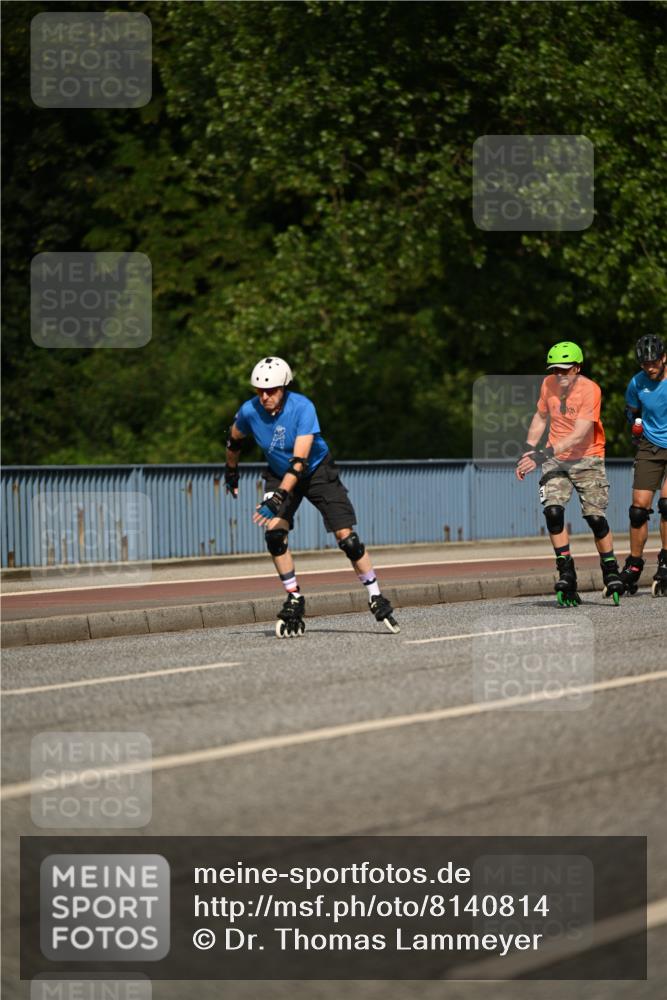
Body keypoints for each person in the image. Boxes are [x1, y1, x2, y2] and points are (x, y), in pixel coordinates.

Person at [224, 356, 400, 636]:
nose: (265, 396)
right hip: (279, 472)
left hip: (316, 471)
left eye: (271, 391)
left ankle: (376, 595)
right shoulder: (249, 411)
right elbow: (234, 440)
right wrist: (231, 472)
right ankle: (294, 597)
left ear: (284, 388)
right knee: (274, 535)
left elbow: (299, 462)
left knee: (348, 539)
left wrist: (280, 495)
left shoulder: (303, 408)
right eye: (259, 391)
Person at [515, 341, 625, 606]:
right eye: (555, 370)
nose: (560, 376)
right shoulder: (548, 384)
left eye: (565, 370)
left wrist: (542, 453)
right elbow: (541, 417)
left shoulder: (591, 390)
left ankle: (610, 569)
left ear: (577, 368)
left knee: (595, 518)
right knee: (553, 512)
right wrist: (529, 450)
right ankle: (566, 572)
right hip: (555, 460)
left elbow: (580, 434)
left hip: (588, 457)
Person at [620, 334, 667, 597]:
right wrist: (635, 422)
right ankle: (635, 564)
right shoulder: (637, 383)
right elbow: (631, 410)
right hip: (650, 445)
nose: (649, 367)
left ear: (664, 358)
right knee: (638, 509)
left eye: (653, 362)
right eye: (644, 363)